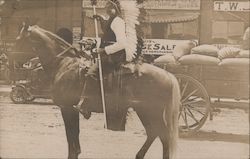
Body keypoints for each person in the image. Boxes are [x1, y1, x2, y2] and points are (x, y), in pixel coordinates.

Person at [87, 0, 127, 76]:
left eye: (109, 7)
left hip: (114, 57)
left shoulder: (118, 21)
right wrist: (101, 18)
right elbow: (107, 30)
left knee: (90, 73)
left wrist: (104, 50)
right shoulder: (111, 20)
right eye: (106, 7)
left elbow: (122, 43)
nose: (107, 10)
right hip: (109, 56)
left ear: (115, 8)